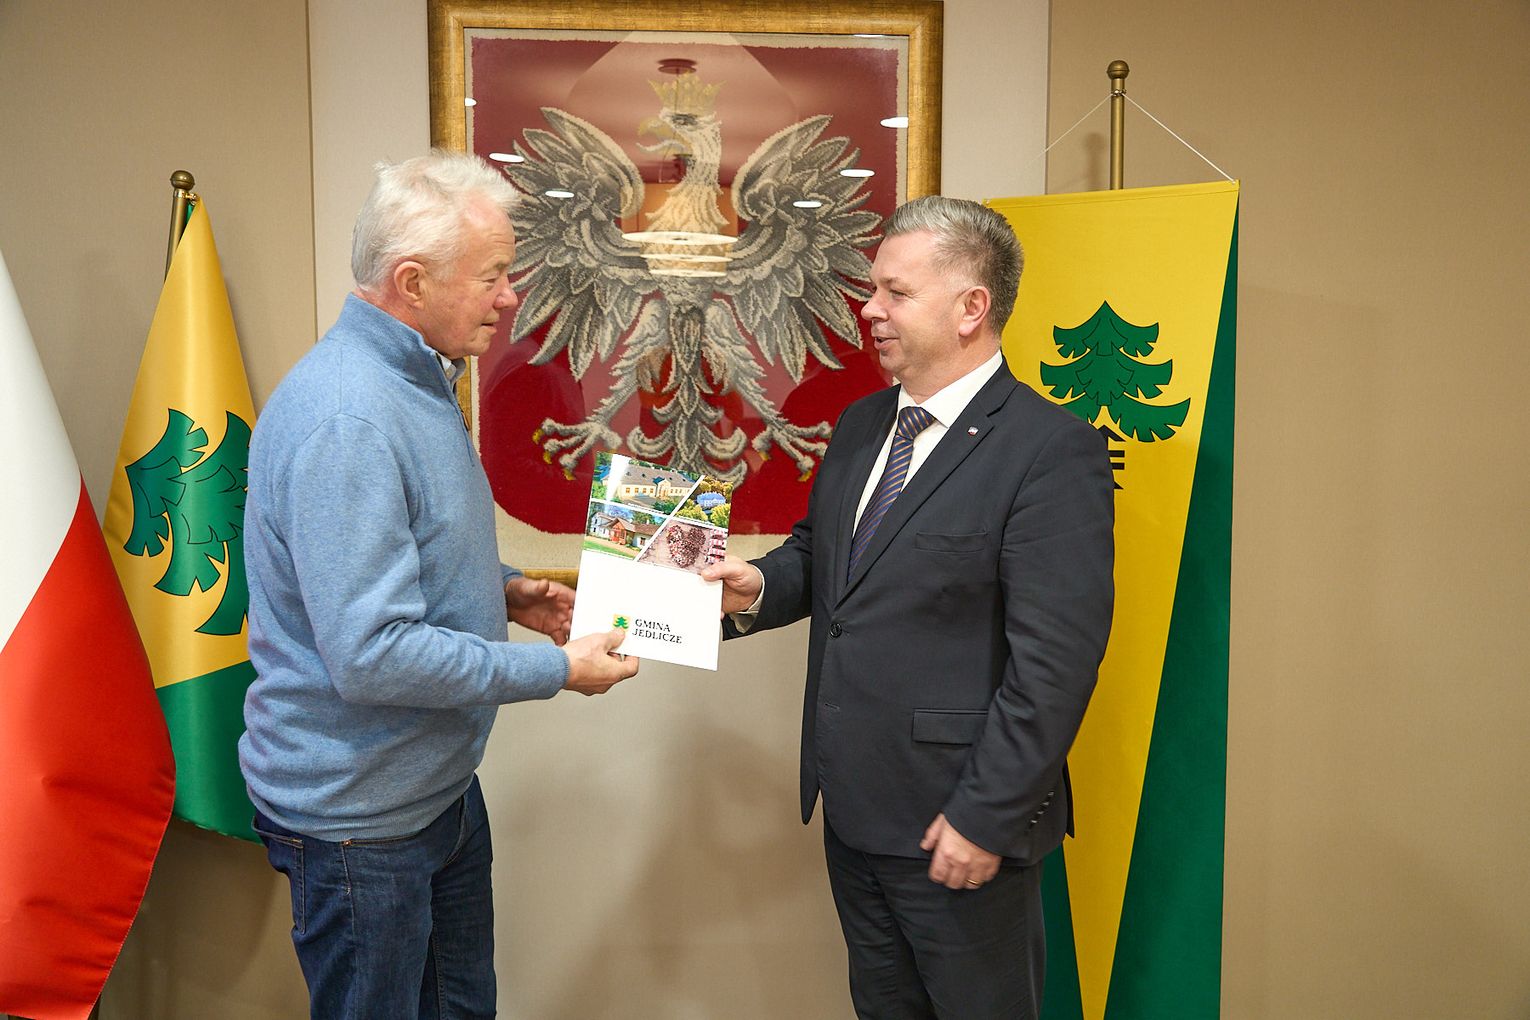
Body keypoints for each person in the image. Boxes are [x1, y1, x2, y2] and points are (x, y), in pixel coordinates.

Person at [238, 150, 638, 1019]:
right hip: (362, 824)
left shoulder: (417, 380)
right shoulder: (348, 417)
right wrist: (559, 669)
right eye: (492, 276)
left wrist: (504, 590)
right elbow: (372, 654)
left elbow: (396, 554)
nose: (509, 297)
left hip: (437, 791)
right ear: (412, 281)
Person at [703, 196, 1114, 1019]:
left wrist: (985, 816)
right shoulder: (863, 425)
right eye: (873, 290)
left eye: (895, 292)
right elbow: (824, 556)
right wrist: (759, 585)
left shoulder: (1049, 450)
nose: (870, 309)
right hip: (855, 811)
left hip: (958, 822)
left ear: (971, 307)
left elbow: (1055, 665)